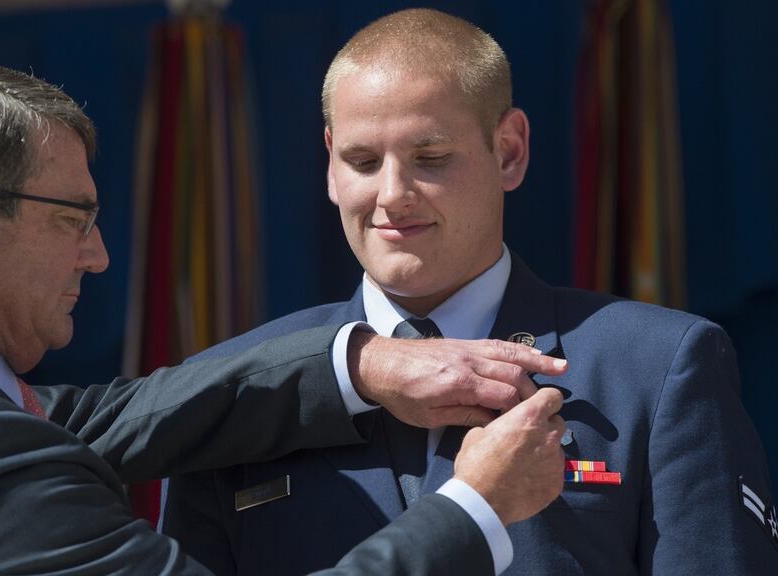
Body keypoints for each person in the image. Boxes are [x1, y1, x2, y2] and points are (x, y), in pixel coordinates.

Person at [0, 59, 571, 575]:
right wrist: (474, 509)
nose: (99, 255)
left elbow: (99, 418)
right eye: (72, 220)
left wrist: (359, 365)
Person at [163, 8, 778, 576]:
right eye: (362, 160)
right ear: (329, 162)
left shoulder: (655, 366)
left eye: (430, 157)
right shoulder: (227, 389)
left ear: (509, 151)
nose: (392, 194)